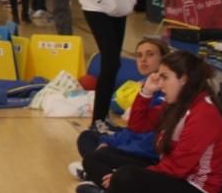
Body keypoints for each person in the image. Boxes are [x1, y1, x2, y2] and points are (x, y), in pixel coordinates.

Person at [75, 50, 222, 193]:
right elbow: (137, 127)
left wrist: (124, 175)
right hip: (170, 175)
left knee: (126, 176)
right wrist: (146, 92)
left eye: (165, 77)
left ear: (184, 79)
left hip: (194, 192)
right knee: (95, 158)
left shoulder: (203, 114)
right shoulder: (176, 104)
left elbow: (177, 168)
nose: (160, 84)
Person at [70, 37, 170, 177]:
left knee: (100, 151)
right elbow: (132, 129)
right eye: (139, 55)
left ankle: (95, 171)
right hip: (133, 144)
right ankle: (99, 169)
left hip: (146, 155)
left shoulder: (165, 92)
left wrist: (113, 147)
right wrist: (108, 142)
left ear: (164, 58)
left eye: (150, 54)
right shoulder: (145, 85)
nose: (143, 59)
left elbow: (146, 134)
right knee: (87, 137)